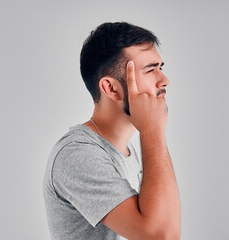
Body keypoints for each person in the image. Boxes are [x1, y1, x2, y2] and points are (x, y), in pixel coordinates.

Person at [43, 22, 181, 240]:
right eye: (150, 70)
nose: (164, 80)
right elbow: (162, 236)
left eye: (160, 68)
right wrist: (153, 131)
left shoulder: (128, 150)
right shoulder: (78, 154)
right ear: (111, 88)